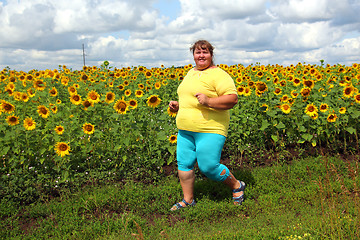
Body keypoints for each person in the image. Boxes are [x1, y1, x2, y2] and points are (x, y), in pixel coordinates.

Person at [169, 40, 245, 211]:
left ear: (211, 55)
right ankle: (188, 200)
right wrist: (178, 106)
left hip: (210, 129)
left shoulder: (219, 75)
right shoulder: (190, 73)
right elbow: (191, 100)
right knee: (184, 164)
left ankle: (236, 185)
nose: (201, 55)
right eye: (198, 52)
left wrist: (209, 100)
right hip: (185, 130)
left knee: (208, 166)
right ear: (193, 55)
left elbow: (232, 99)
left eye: (205, 52)